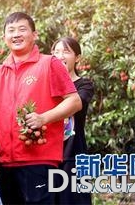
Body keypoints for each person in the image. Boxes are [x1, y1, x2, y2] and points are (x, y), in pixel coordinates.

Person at [0, 12, 82, 205]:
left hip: (40, 160)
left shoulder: (49, 63)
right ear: (4, 37)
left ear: (35, 34)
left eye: (22, 29)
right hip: (6, 162)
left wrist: (43, 118)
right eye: (11, 31)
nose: (16, 35)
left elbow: (74, 101)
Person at [51, 37, 94, 205]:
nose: (60, 56)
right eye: (56, 52)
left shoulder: (85, 85)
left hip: (74, 155)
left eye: (66, 51)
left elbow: (76, 104)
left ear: (77, 58)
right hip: (48, 156)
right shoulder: (45, 85)